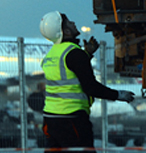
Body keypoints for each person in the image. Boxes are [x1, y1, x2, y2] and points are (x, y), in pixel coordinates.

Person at [39, 11, 135, 148]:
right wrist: (118, 95)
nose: (73, 23)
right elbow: (90, 87)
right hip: (72, 119)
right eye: (69, 23)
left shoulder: (52, 54)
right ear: (65, 31)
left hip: (50, 118)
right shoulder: (75, 54)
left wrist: (87, 55)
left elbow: (68, 71)